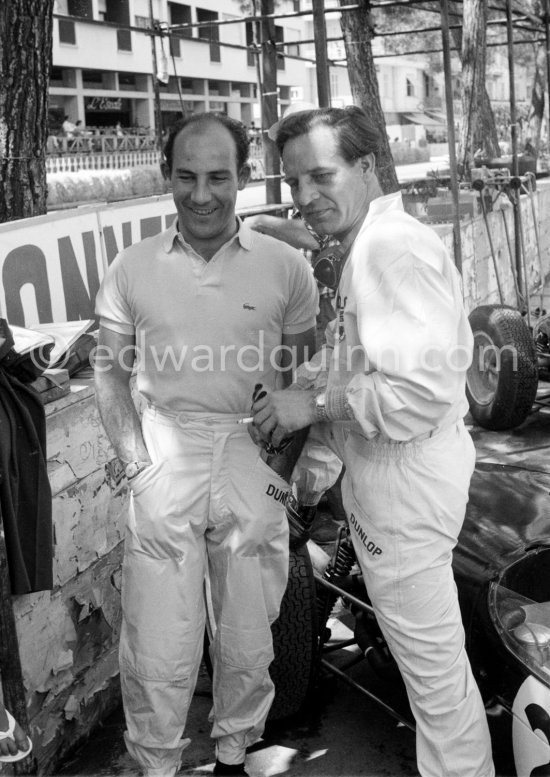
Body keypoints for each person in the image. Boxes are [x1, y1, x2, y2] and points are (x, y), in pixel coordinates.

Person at [250, 106, 495, 777]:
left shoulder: (390, 249)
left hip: (404, 486)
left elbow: (414, 395)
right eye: (294, 181)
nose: (305, 196)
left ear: (367, 166)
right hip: (392, 479)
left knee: (437, 687)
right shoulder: (371, 244)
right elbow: (369, 362)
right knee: (431, 676)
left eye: (321, 174)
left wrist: (311, 403)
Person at [94, 112, 317, 777]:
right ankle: (157, 761)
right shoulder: (133, 267)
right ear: (167, 175)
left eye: (218, 176)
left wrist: (282, 475)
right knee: (159, 636)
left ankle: (233, 751)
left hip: (255, 453)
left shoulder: (286, 267)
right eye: (186, 176)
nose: (201, 194)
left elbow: (305, 374)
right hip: (166, 448)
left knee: (250, 630)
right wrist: (136, 463)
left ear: (244, 177)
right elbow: (108, 367)